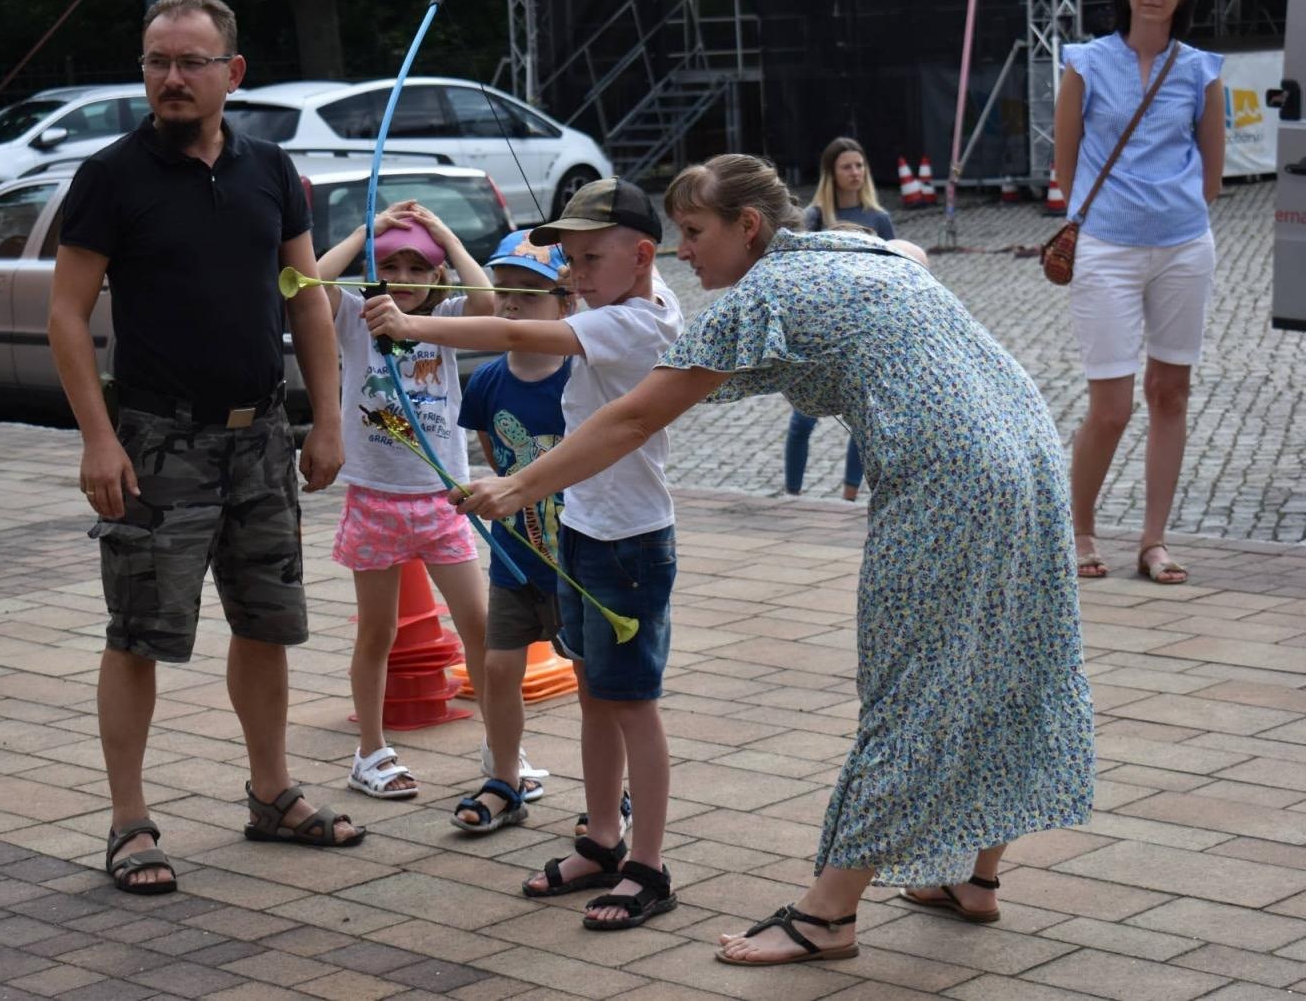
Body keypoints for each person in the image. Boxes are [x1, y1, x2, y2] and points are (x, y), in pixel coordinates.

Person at [456, 155, 1094, 966]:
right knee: (1006, 659)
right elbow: (917, 262)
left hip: (949, 474)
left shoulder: (764, 292)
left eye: (694, 232)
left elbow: (633, 419)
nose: (683, 251)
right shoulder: (852, 249)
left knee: (914, 684)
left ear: (748, 227)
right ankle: (975, 877)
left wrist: (519, 487)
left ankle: (829, 916)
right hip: (1028, 444)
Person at [48, 0, 363, 895]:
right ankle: (129, 823)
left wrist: (328, 417)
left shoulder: (273, 169)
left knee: (267, 625)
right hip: (156, 443)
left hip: (261, 437)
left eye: (190, 62)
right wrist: (99, 441)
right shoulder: (112, 177)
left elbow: (304, 294)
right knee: (140, 635)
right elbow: (68, 317)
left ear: (233, 73)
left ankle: (271, 795)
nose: (171, 78)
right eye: (156, 61)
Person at [366, 178, 683, 930]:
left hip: (631, 542)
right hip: (586, 528)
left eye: (588, 260)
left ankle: (649, 864)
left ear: (642, 256)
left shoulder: (639, 321)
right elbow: (533, 318)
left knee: (632, 705)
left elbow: (518, 336)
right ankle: (603, 838)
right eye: (568, 260)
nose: (574, 278)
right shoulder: (620, 292)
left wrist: (416, 326)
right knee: (597, 696)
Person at [315, 202, 517, 804]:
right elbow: (312, 286)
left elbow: (489, 304)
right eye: (392, 264)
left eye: (417, 266)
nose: (404, 275)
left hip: (442, 500)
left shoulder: (448, 317)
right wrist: (362, 232)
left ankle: (502, 751)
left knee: (480, 626)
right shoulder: (357, 313)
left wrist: (445, 235)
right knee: (377, 632)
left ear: (437, 277)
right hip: (375, 499)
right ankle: (371, 752)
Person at [1054, 0, 1223, 584]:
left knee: (1171, 394)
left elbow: (1213, 173)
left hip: (1184, 246)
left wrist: (1174, 210)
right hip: (1108, 249)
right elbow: (1065, 166)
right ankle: (1079, 527)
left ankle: (1154, 541)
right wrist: (1102, 222)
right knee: (1112, 406)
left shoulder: (1200, 69)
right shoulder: (1087, 63)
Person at [446, 229, 574, 832]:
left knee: (598, 680)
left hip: (575, 557)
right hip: (515, 557)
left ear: (567, 305)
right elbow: (494, 458)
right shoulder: (488, 382)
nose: (514, 305)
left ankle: (611, 794)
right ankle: (504, 778)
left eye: (532, 293)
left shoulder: (580, 380)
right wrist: (483, 497)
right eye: (506, 292)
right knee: (498, 669)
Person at [787, 138, 894, 500]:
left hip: (864, 331)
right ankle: (793, 494)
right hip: (819, 332)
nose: (855, 173)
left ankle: (849, 495)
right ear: (831, 173)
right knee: (802, 419)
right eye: (847, 166)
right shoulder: (815, 218)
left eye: (859, 166)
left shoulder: (879, 219)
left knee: (860, 421)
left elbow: (896, 274)